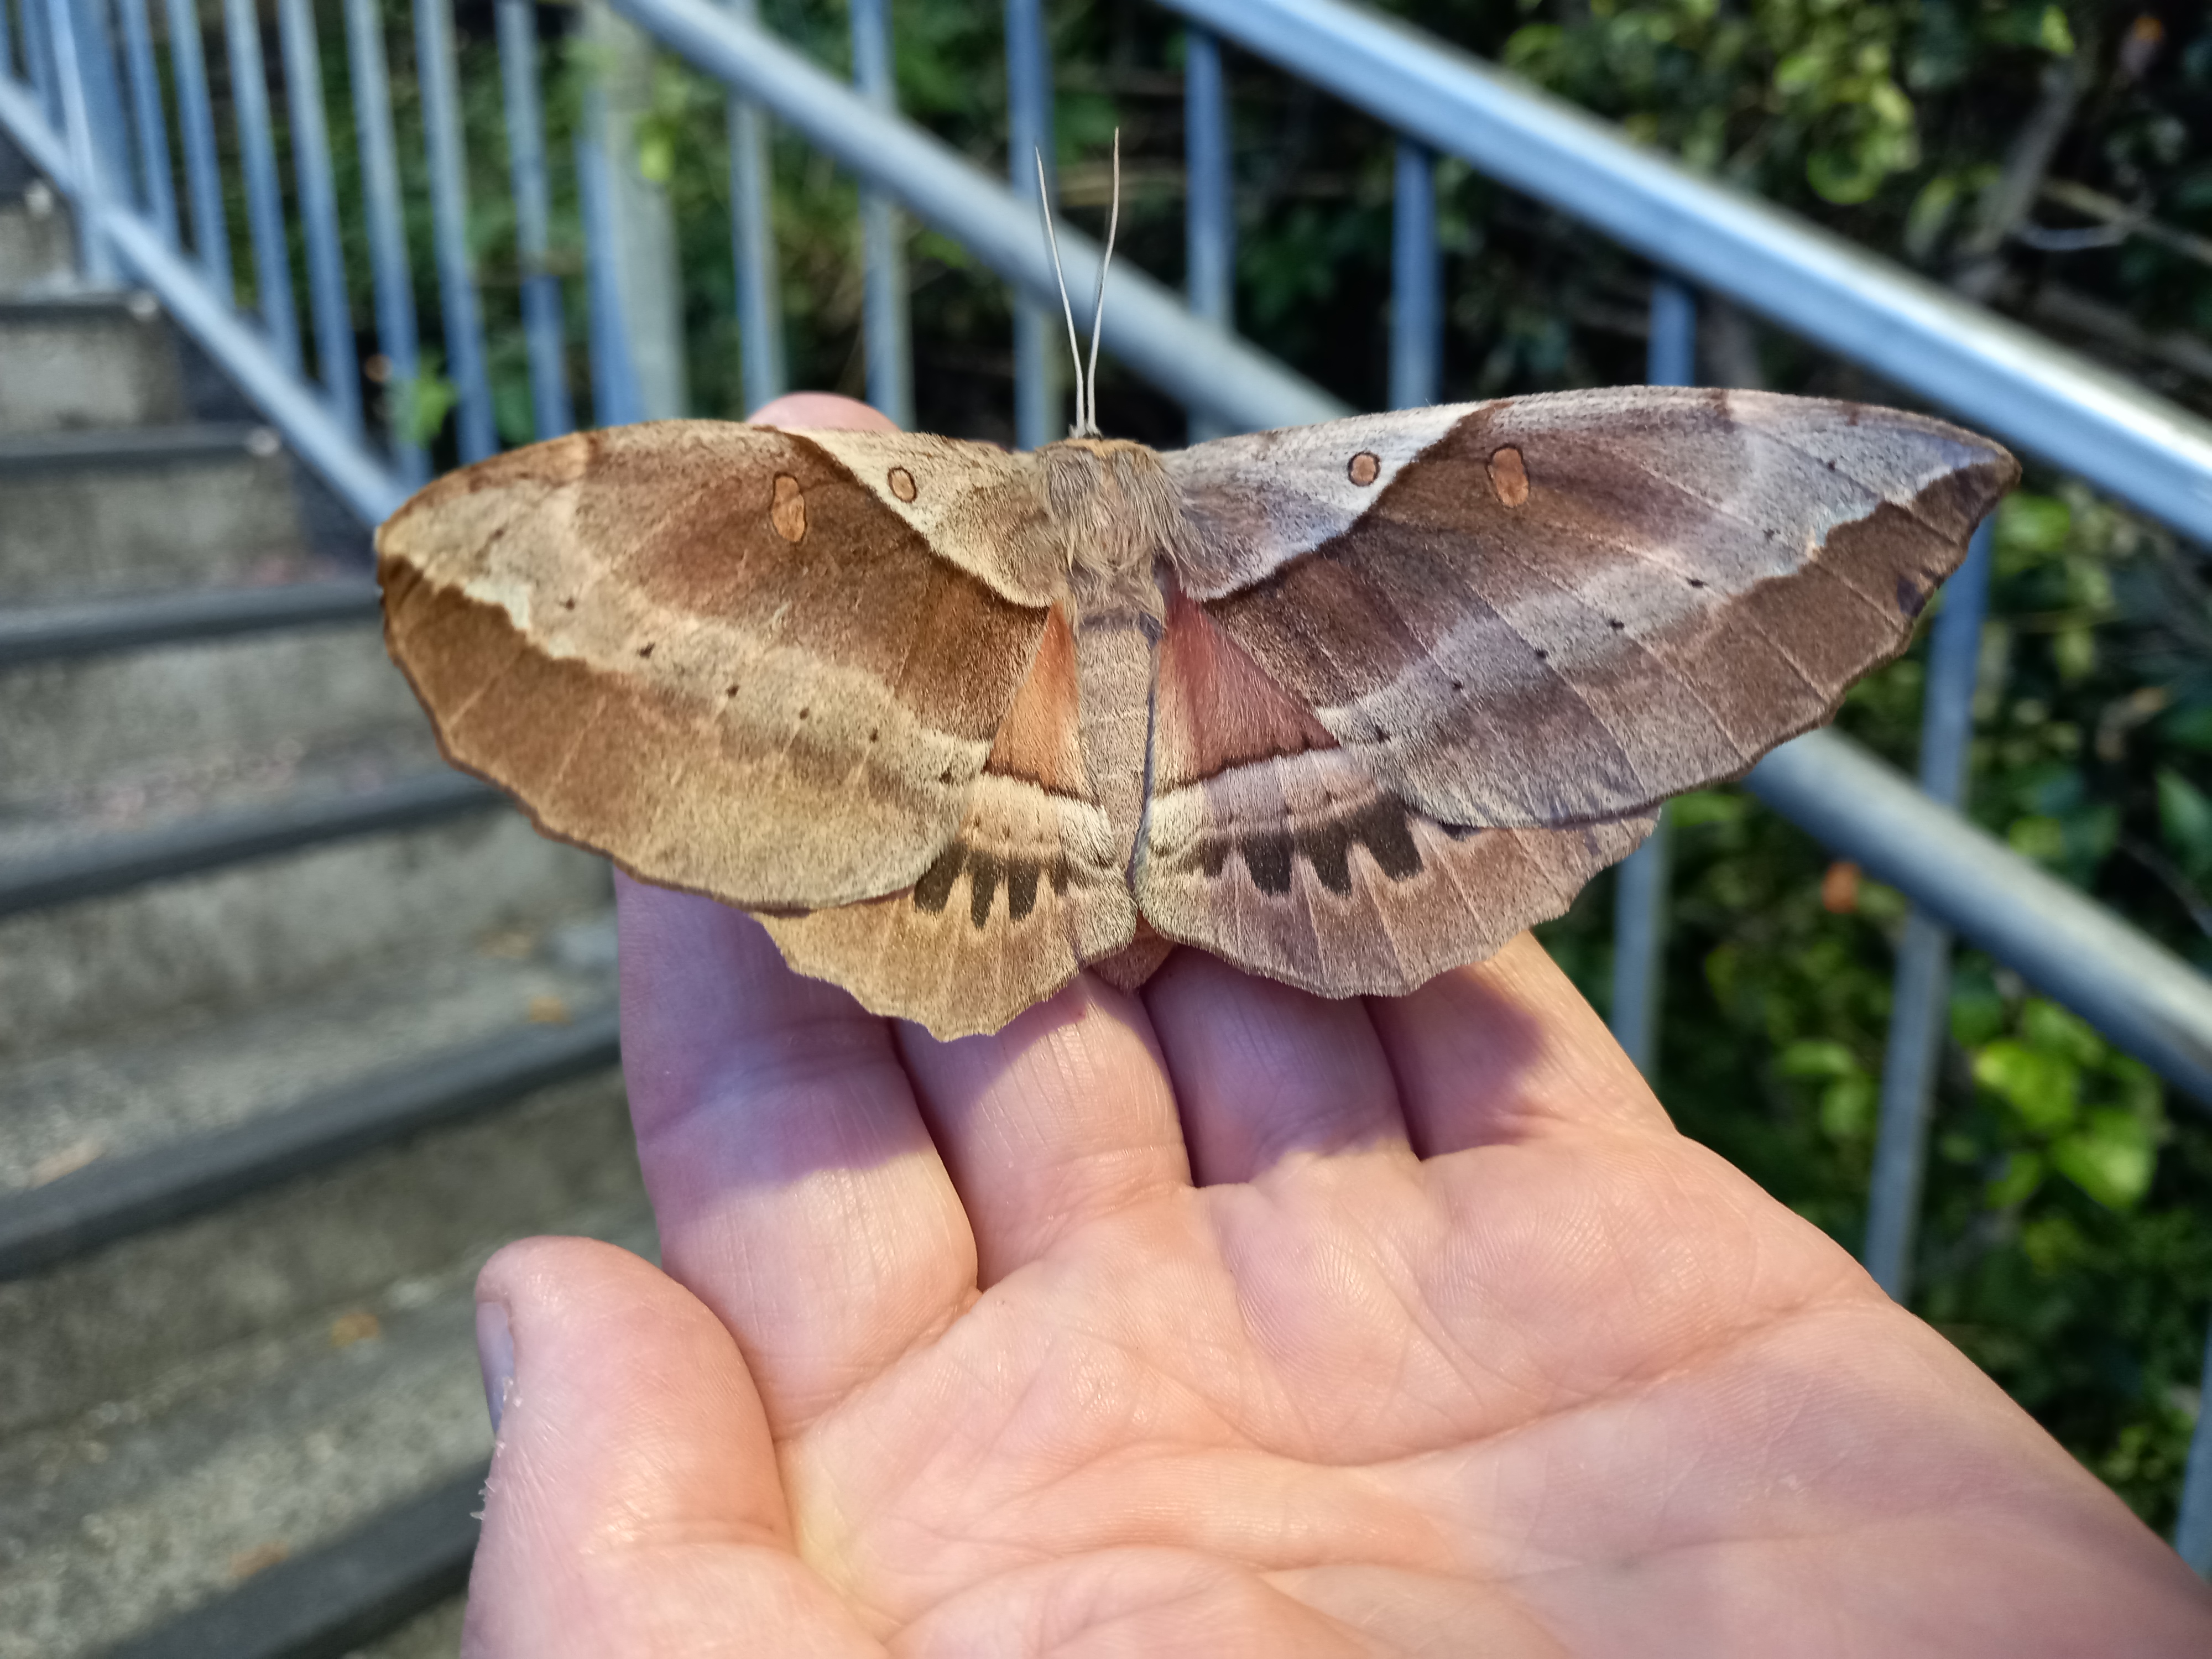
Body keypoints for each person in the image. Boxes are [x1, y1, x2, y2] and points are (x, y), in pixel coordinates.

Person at [457, 395, 2212, 1655]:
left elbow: (1785, 518)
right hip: (1321, 810)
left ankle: (1029, 852)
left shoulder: (914, 502)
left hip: (975, 831)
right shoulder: (1352, 488)